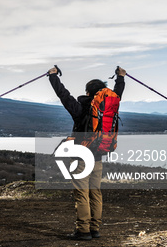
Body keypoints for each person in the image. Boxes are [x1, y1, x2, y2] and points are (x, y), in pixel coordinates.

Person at [47, 66, 126, 240]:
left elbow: (63, 95)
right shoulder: (109, 108)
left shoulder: (80, 108)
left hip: (82, 156)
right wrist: (120, 77)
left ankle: (83, 231)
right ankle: (94, 229)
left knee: (81, 193)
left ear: (88, 92)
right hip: (98, 156)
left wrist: (53, 76)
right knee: (95, 192)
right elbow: (118, 93)